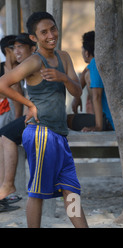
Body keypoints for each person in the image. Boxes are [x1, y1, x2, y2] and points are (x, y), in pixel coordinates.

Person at [0, 12, 88, 227]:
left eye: (53, 29)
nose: (51, 35)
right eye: (44, 32)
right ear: (34, 38)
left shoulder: (64, 57)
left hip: (59, 135)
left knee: (71, 189)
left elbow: (77, 91)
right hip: (40, 133)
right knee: (37, 192)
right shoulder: (34, 61)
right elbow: (2, 83)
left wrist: (63, 77)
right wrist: (30, 105)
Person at [0, 33, 36, 207]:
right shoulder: (20, 67)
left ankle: (7, 186)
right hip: (31, 115)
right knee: (4, 135)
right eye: (13, 48)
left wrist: (28, 106)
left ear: (32, 48)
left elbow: (12, 92)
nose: (17, 51)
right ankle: (3, 188)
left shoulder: (31, 64)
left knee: (5, 136)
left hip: (39, 117)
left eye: (20, 47)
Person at [68, 31, 114, 132]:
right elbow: (84, 73)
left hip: (108, 121)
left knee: (65, 120)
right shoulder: (101, 63)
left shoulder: (94, 65)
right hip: (112, 119)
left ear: (86, 53)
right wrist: (77, 97)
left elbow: (97, 96)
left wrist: (98, 127)